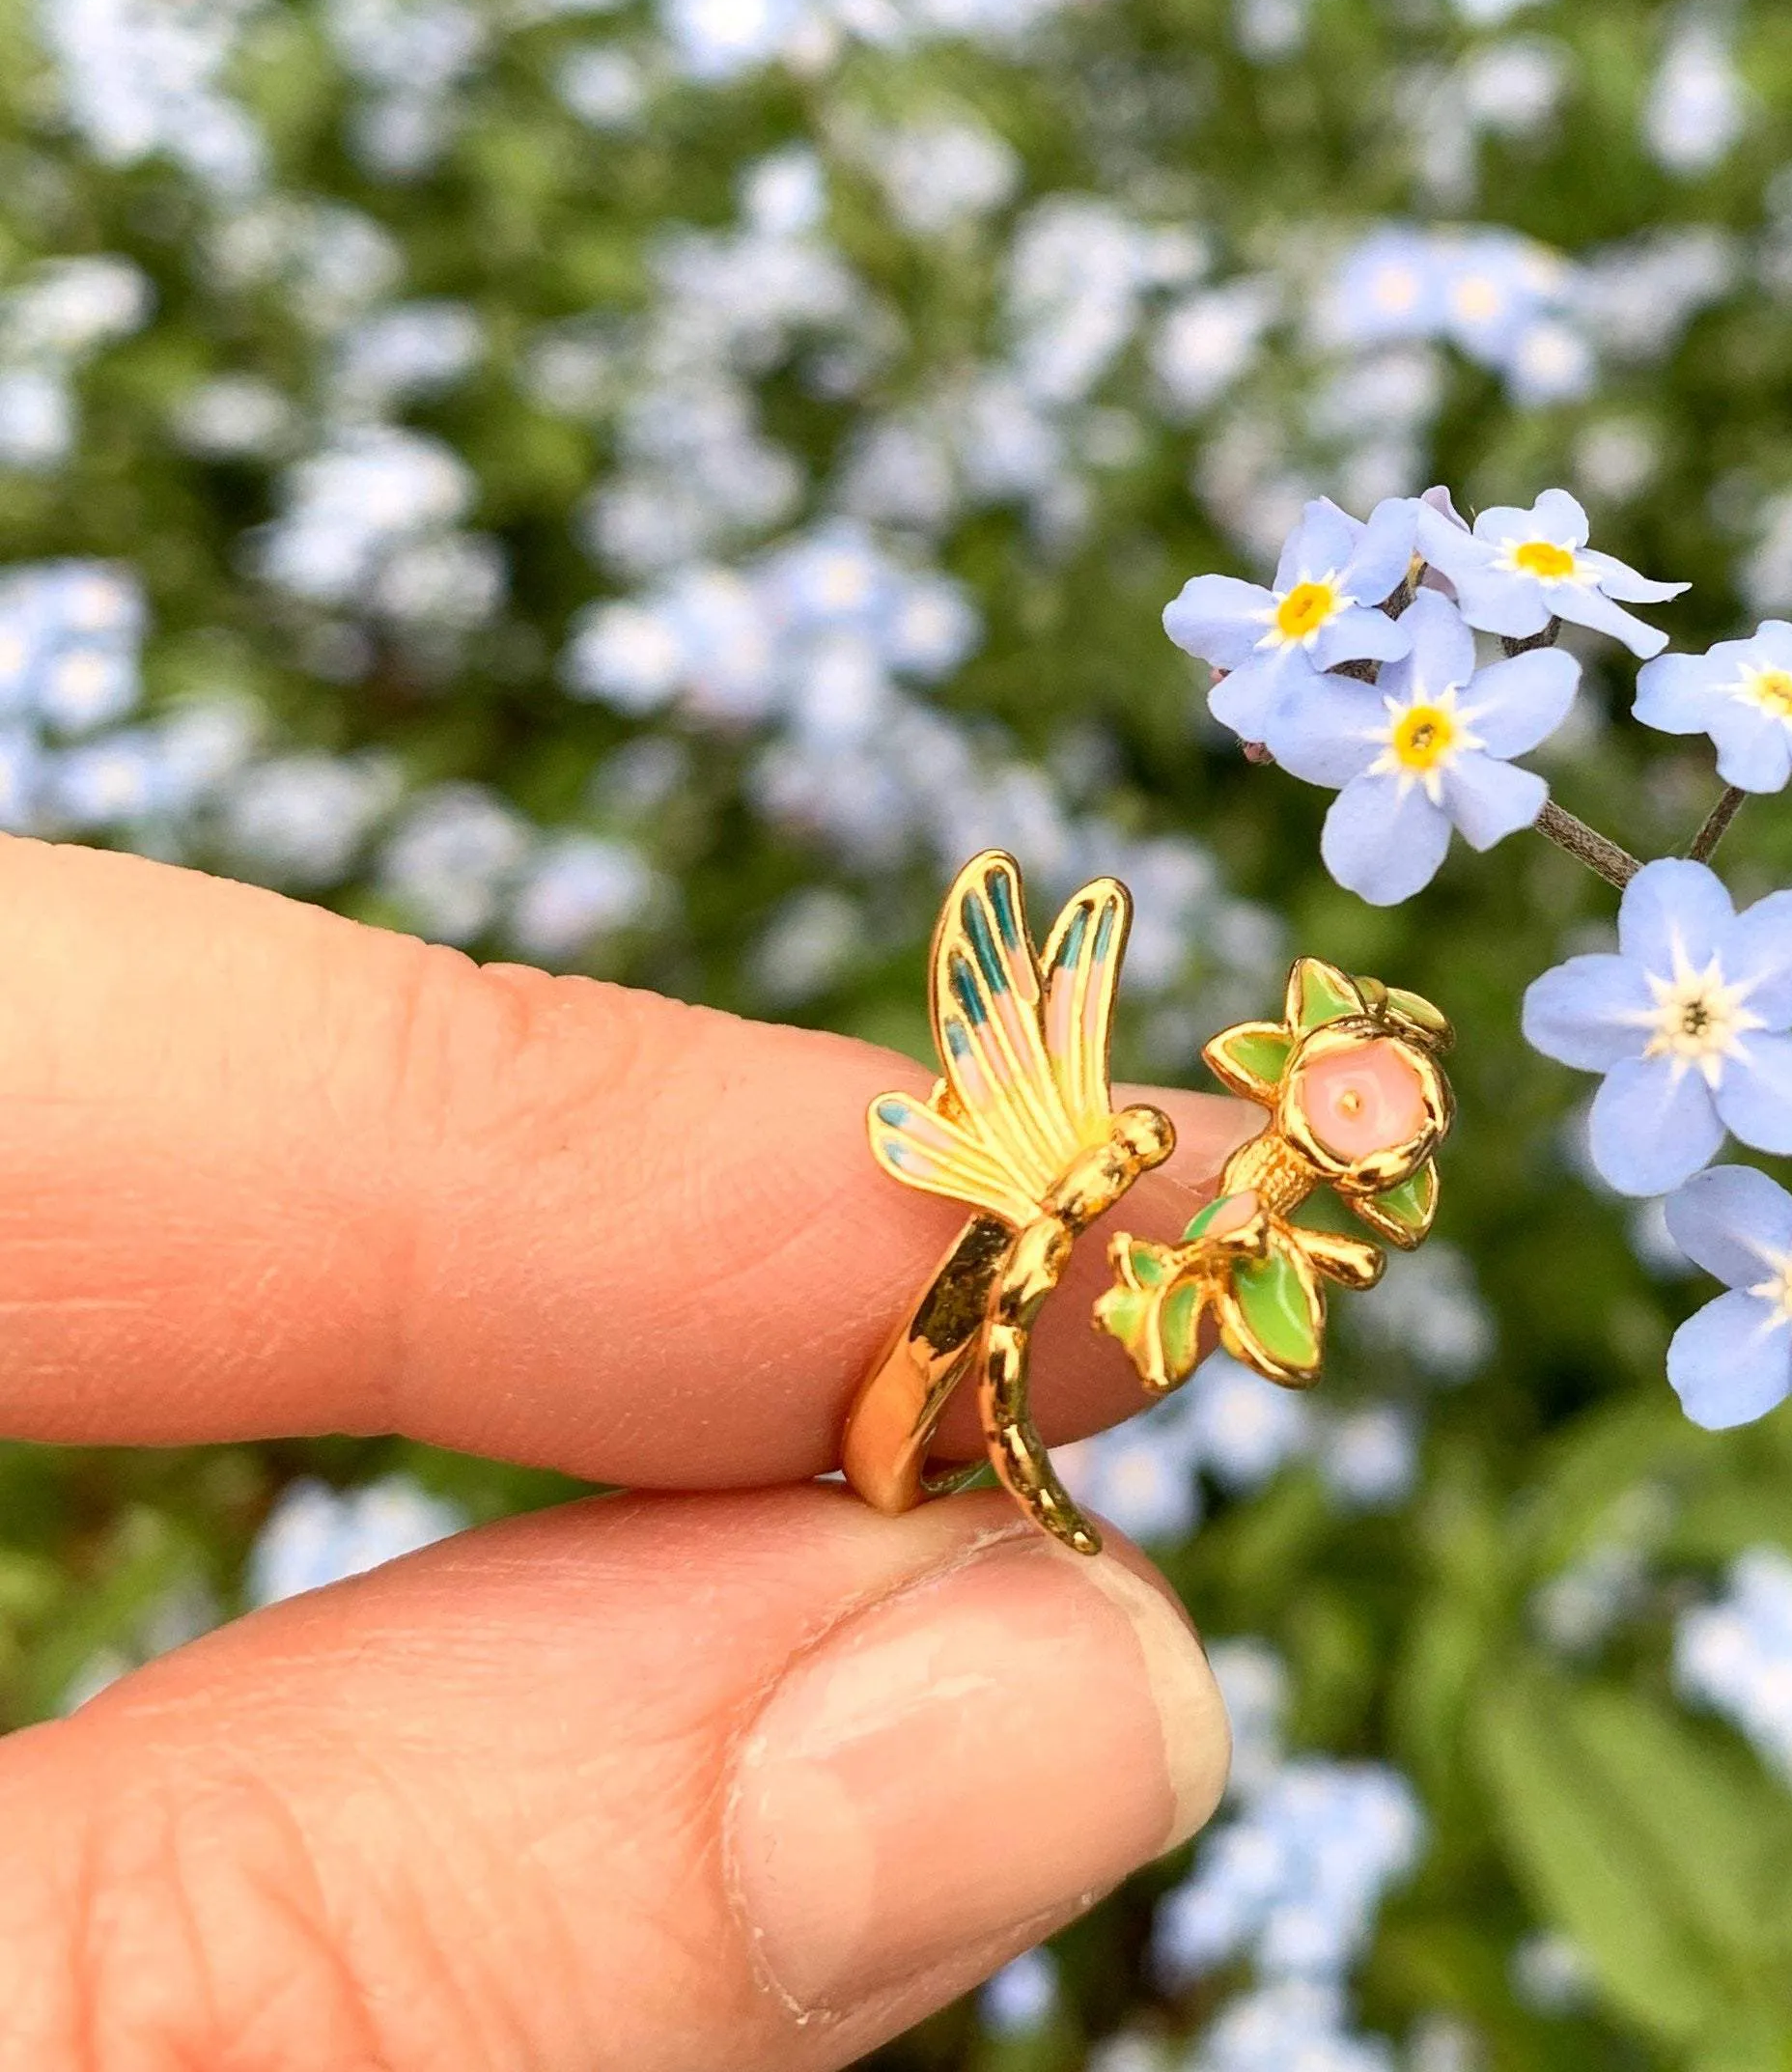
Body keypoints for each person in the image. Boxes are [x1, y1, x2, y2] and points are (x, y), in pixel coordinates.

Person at [0, 834, 1252, 2068]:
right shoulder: (1067, 1168)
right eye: (1136, 1142)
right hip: (962, 1308)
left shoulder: (1082, 1165)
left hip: (973, 1296)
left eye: (1139, 1147)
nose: (1141, 1144)